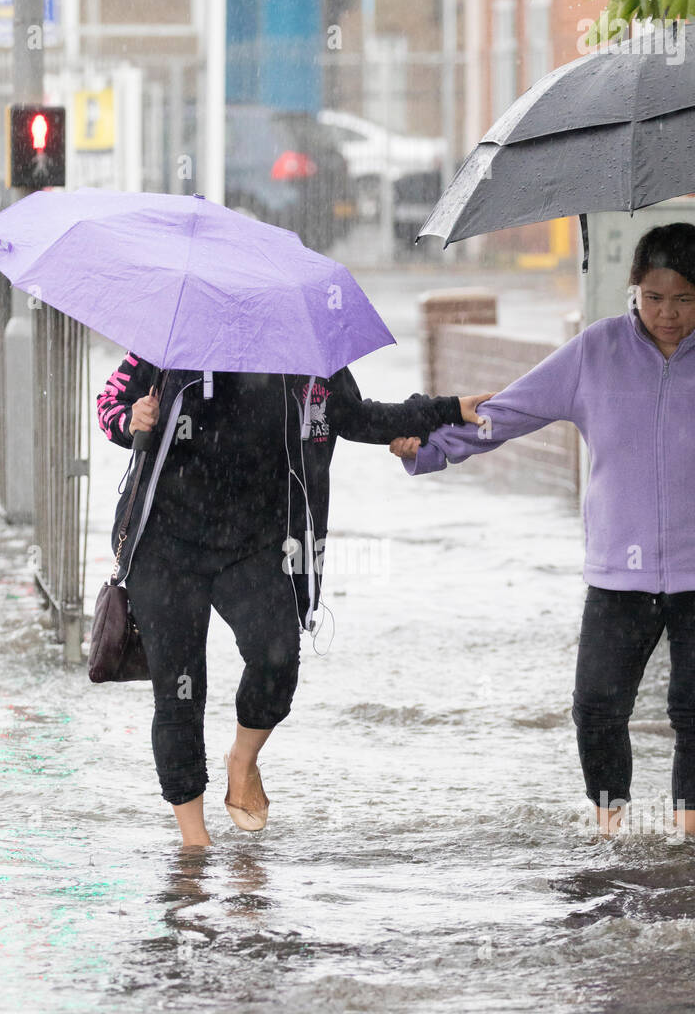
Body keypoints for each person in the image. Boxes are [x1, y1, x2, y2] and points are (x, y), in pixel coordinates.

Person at [391, 224, 695, 838]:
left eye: (682, 300)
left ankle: (686, 841)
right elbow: (511, 411)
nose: (666, 314)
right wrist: (430, 447)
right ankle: (610, 831)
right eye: (652, 297)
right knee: (596, 708)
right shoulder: (597, 350)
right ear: (634, 290)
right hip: (620, 568)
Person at [97, 358, 486, 846]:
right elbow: (107, 404)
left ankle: (242, 760)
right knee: (179, 689)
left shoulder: (302, 345)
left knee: (276, 656)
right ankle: (194, 847)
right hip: (164, 544)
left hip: (257, 541)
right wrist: (130, 420)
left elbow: (354, 415)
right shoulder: (174, 337)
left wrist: (443, 410)